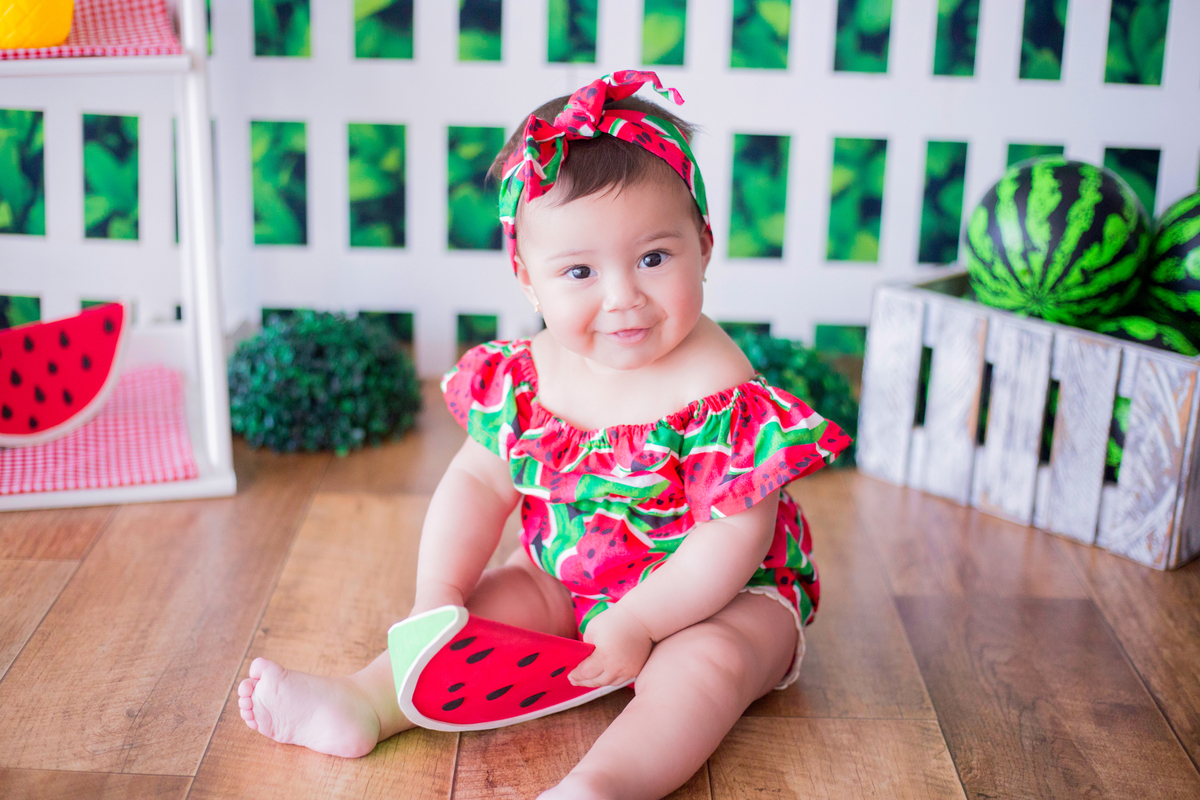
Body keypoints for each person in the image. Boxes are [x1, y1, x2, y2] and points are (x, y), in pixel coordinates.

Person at [238, 69, 851, 800]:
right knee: (480, 613)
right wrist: (440, 590)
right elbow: (476, 482)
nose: (623, 297)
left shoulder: (719, 387)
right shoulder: (532, 374)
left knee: (706, 666)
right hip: (563, 578)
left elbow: (734, 539)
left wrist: (642, 620)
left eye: (654, 258)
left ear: (705, 244)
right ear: (528, 278)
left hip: (721, 596)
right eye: (581, 271)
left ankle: (605, 783)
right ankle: (364, 703)